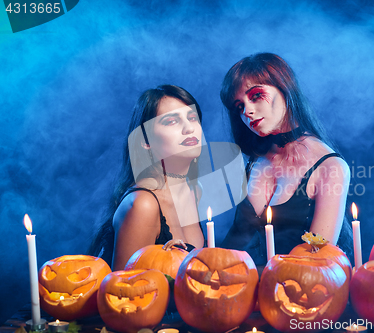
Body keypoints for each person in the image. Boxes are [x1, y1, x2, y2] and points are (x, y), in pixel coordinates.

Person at [220, 53, 353, 268]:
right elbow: (234, 244)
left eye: (255, 95)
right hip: (258, 289)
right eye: (239, 107)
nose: (248, 112)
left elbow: (317, 262)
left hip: (309, 292)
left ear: (284, 88)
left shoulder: (331, 167)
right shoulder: (256, 162)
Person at [88, 85, 205, 270]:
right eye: (171, 121)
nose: (189, 128)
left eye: (192, 118)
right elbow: (122, 293)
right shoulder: (143, 204)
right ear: (146, 142)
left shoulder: (193, 191)